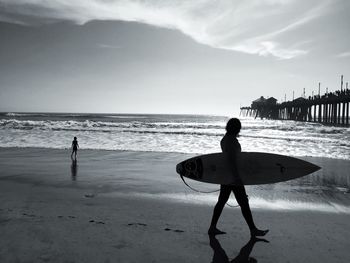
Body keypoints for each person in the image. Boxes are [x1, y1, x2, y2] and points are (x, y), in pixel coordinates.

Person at [208, 118, 268, 237]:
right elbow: (231, 161)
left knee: (222, 202)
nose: (239, 130)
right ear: (236, 128)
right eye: (238, 128)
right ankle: (253, 230)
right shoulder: (230, 141)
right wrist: (236, 177)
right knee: (243, 203)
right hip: (232, 177)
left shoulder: (225, 139)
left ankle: (212, 227)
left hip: (226, 176)